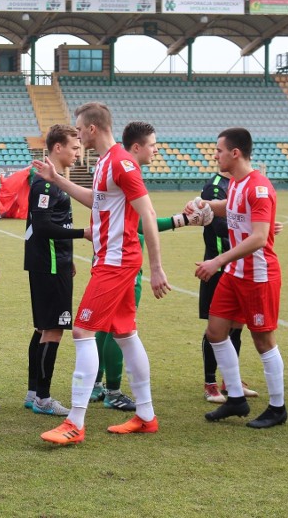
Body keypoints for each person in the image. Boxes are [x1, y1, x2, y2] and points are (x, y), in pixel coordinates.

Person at [36, 103, 170, 445]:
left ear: (92, 129)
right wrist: (58, 180)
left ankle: (75, 422)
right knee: (125, 333)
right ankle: (146, 415)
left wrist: (156, 268)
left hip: (117, 261)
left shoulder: (122, 163)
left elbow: (149, 214)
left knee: (82, 330)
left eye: (79, 129)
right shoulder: (104, 163)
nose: (77, 135)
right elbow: (98, 199)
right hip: (110, 259)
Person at [89, 122, 208, 412]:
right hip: (123, 265)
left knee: (102, 327)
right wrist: (181, 224)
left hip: (106, 259)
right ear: (137, 147)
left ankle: (96, 385)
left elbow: (137, 222)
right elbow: (143, 222)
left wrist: (181, 220)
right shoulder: (126, 169)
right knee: (120, 331)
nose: (156, 149)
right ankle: (115, 391)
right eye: (153, 144)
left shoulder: (110, 165)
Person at [195, 127, 286, 428]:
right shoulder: (235, 183)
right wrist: (203, 206)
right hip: (234, 275)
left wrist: (217, 260)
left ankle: (277, 407)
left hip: (258, 276)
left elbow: (260, 238)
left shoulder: (258, 187)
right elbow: (229, 209)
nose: (215, 155)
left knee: (263, 340)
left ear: (235, 153)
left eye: (219, 150)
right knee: (216, 332)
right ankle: (235, 398)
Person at [23, 125, 84, 418]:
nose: (78, 152)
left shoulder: (54, 181)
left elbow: (54, 223)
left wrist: (67, 255)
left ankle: (34, 392)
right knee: (53, 329)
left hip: (54, 260)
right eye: (74, 147)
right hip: (47, 263)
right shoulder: (45, 184)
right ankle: (43, 399)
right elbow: (44, 226)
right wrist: (83, 233)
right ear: (57, 148)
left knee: (43, 327)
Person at [197, 170, 258, 402]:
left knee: (237, 325)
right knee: (216, 327)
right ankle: (210, 383)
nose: (217, 156)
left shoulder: (239, 184)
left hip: (239, 266)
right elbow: (220, 227)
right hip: (218, 266)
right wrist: (256, 227)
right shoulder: (214, 187)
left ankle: (231, 381)